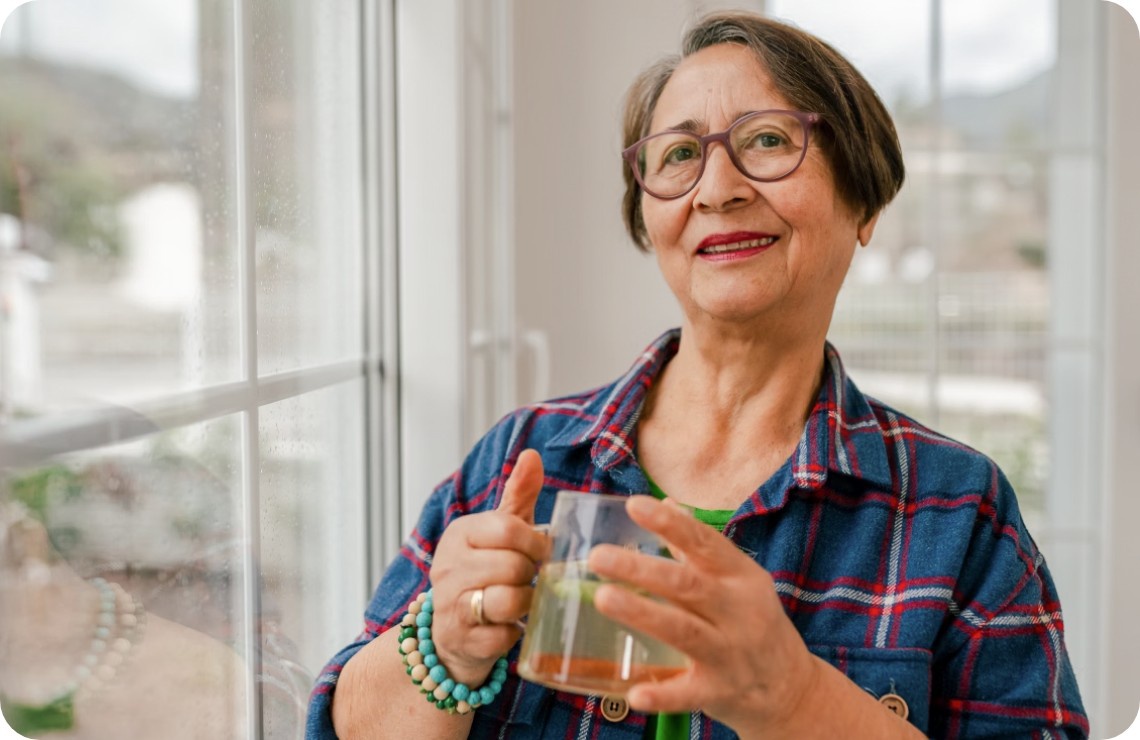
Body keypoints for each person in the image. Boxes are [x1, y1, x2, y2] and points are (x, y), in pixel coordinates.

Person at [307, 11, 1087, 739]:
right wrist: (446, 646)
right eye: (679, 155)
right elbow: (343, 720)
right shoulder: (520, 458)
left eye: (771, 140)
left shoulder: (959, 513)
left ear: (865, 200)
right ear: (648, 216)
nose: (718, 189)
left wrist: (795, 697)